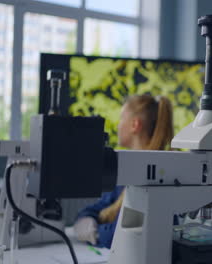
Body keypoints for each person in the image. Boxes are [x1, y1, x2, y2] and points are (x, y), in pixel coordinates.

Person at [73, 94, 174, 249]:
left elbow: (125, 234)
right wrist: (86, 219)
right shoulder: (127, 170)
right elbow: (97, 208)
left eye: (122, 118)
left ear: (135, 125)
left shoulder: (156, 175)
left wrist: (95, 232)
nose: (118, 125)